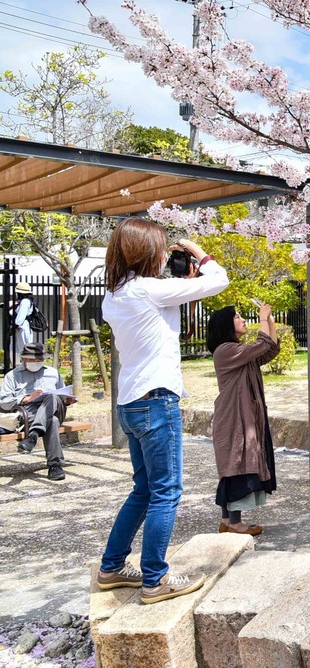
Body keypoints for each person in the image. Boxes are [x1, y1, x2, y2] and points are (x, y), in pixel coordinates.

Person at [96, 219, 229, 605]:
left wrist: (182, 282)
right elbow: (219, 280)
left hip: (130, 403)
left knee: (143, 489)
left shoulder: (114, 295)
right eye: (159, 248)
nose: (162, 255)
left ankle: (111, 567)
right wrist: (198, 252)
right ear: (144, 252)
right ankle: (155, 580)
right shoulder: (151, 290)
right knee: (166, 492)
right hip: (157, 402)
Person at [206, 302, 280, 536]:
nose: (243, 320)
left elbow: (269, 349)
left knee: (235, 466)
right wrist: (262, 318)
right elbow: (262, 344)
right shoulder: (225, 351)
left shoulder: (240, 352)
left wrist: (269, 320)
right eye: (238, 317)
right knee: (236, 465)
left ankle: (227, 521)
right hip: (234, 417)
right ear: (226, 325)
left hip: (243, 415)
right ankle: (235, 524)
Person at [0, 343, 73, 481]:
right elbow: (3, 402)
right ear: (24, 359)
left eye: (39, 359)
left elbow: (63, 392)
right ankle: (55, 466)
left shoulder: (53, 373)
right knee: (53, 422)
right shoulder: (12, 376)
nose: (36, 362)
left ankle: (33, 435)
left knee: (51, 396)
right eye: (32, 360)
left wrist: (68, 400)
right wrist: (27, 399)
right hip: (28, 414)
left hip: (55, 409)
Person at [9, 282, 34, 354]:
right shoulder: (25, 301)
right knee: (16, 349)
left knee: (24, 349)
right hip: (21, 327)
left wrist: (14, 327)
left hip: (22, 328)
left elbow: (20, 319)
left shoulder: (25, 302)